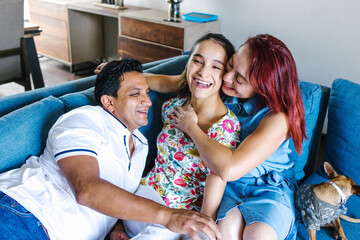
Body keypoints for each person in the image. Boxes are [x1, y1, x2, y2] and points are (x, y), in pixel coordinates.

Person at [0, 59, 220, 240]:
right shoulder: (86, 119)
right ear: (109, 102)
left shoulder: (141, 147)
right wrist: (169, 216)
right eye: (135, 94)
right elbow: (87, 189)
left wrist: (115, 226)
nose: (148, 102)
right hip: (24, 213)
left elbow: (115, 190)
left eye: (147, 92)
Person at [171, 34, 306, 240]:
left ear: (263, 88)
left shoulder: (278, 118)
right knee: (225, 229)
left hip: (268, 189)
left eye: (239, 79)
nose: (227, 77)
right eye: (230, 65)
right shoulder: (225, 90)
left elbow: (228, 169)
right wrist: (122, 74)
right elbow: (176, 81)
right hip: (230, 187)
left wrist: (192, 126)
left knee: (258, 235)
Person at [121, 33, 241, 240]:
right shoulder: (171, 107)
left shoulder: (227, 126)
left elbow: (218, 177)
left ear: (225, 76)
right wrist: (119, 74)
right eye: (197, 61)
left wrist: (203, 227)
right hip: (142, 198)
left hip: (178, 218)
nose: (203, 72)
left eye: (215, 66)